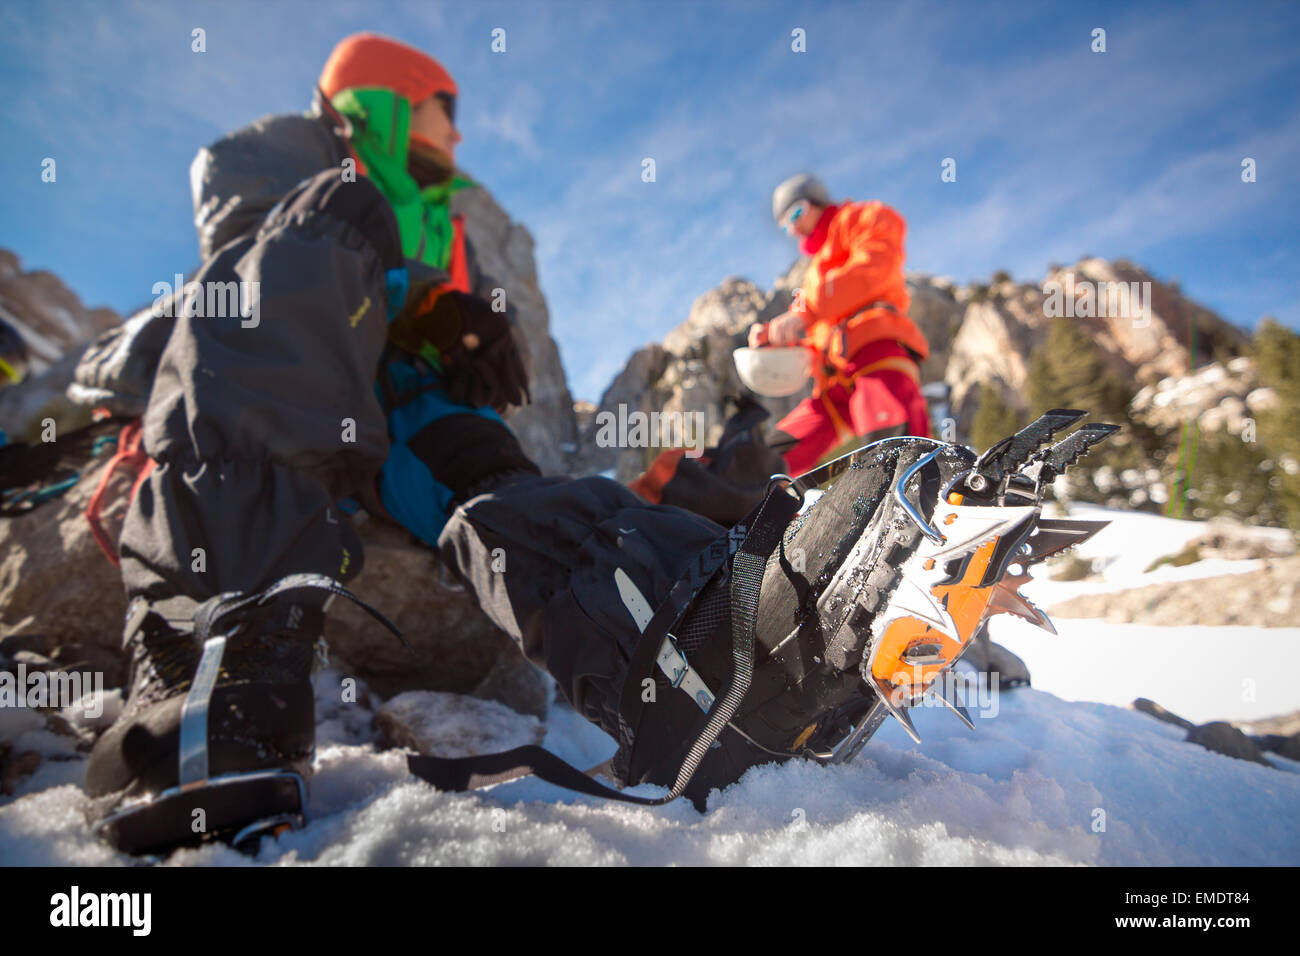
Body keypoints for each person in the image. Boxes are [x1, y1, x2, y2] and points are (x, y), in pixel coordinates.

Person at [77, 34, 1086, 855]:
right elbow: (225, 309)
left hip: (390, 425)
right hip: (269, 381)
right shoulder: (286, 164)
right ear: (383, 101)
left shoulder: (439, 215)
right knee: (337, 228)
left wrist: (441, 320)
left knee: (497, 483)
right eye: (441, 104)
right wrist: (415, 295)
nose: (457, 129)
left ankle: (702, 654)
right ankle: (211, 679)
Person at [627, 174, 934, 523]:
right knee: (773, 452)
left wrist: (804, 313)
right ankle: (719, 501)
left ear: (816, 201)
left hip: (875, 352)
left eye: (795, 213)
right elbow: (817, 324)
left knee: (894, 445)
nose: (792, 229)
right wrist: (780, 341)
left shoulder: (864, 218)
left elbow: (873, 269)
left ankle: (914, 521)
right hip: (833, 380)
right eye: (784, 223)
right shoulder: (815, 271)